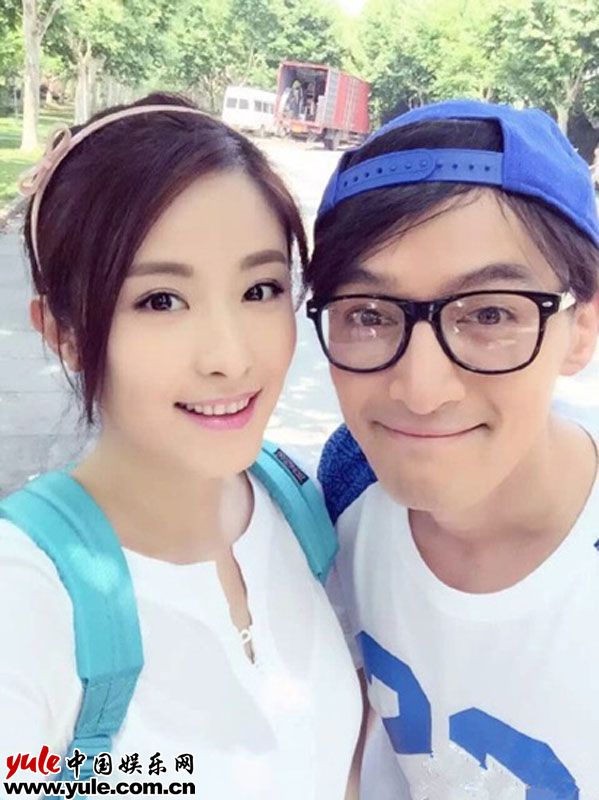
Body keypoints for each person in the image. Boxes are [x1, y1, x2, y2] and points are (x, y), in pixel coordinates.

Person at [0, 93, 362, 799]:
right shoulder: (27, 595)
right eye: (160, 300)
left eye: (260, 289)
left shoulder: (299, 508)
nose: (230, 358)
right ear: (63, 333)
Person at [306, 99, 599, 796]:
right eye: (368, 314)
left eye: (490, 313)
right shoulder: (349, 481)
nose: (420, 390)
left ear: (582, 330)